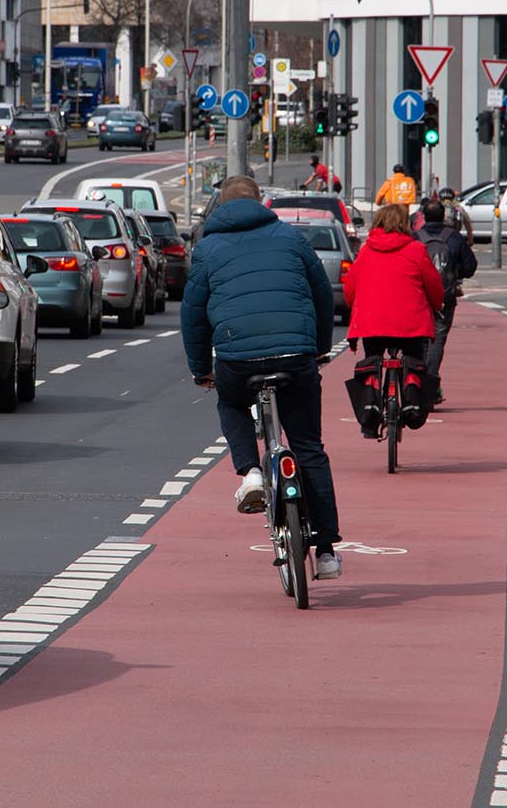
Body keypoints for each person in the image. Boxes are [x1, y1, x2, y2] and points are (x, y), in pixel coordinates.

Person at [180, 175, 346, 581]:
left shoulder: (207, 248)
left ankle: (250, 472)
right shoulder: (290, 238)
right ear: (261, 202)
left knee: (231, 402)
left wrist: (201, 368)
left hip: (238, 358)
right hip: (296, 355)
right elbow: (322, 293)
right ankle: (325, 552)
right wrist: (319, 345)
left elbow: (193, 315)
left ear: (219, 206)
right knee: (308, 447)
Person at [344, 203, 445, 428]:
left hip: (372, 323)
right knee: (414, 358)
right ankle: (411, 387)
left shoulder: (367, 250)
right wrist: (436, 304)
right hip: (411, 324)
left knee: (372, 356)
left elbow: (349, 287)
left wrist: (355, 306)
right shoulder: (416, 250)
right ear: (405, 224)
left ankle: (370, 387)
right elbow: (434, 286)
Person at [414, 199, 477, 401]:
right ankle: (430, 384)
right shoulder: (453, 237)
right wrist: (456, 273)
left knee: (420, 340)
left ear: (422, 215)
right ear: (444, 216)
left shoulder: (415, 237)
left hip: (419, 297)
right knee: (437, 340)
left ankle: (417, 381)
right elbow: (470, 267)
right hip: (444, 297)